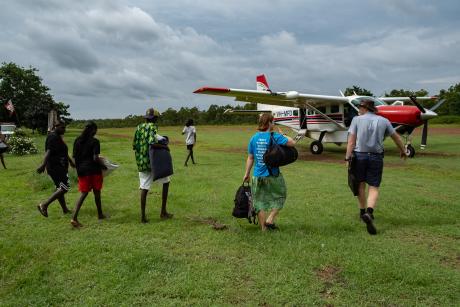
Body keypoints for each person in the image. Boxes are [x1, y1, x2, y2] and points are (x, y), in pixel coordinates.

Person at [345, 99, 407, 235]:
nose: (358, 109)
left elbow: (351, 141)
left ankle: (362, 212)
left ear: (364, 108)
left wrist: (347, 157)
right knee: (374, 186)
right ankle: (369, 212)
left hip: (359, 156)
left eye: (360, 107)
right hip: (376, 157)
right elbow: (396, 137)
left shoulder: (356, 120)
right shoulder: (384, 121)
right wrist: (403, 150)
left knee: (360, 185)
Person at [243, 113, 296, 231]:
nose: (274, 124)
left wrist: (246, 174)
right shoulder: (275, 136)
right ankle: (270, 219)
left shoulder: (254, 138)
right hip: (273, 175)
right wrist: (284, 135)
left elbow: (250, 157)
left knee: (259, 202)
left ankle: (263, 229)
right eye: (273, 122)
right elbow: (292, 143)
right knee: (281, 196)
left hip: (257, 175)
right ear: (269, 123)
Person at [133, 108, 173, 223]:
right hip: (153, 161)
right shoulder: (153, 127)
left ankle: (143, 217)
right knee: (166, 182)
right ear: (155, 118)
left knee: (144, 188)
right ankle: (163, 212)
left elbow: (134, 145)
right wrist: (165, 147)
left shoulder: (139, 127)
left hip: (141, 162)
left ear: (145, 117)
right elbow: (152, 143)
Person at [70, 122, 107, 227]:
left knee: (83, 193)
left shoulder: (77, 140)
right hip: (94, 170)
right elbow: (95, 158)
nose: (96, 132)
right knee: (97, 192)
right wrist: (104, 166)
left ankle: (74, 217)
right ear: (93, 130)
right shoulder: (95, 141)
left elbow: (74, 157)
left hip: (81, 170)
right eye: (96, 130)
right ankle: (100, 214)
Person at [37, 121, 74, 217]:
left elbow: (63, 151)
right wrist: (43, 165)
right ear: (55, 127)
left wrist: (70, 161)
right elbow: (48, 152)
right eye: (62, 128)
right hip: (55, 167)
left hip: (60, 166)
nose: (64, 130)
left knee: (60, 188)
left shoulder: (58, 137)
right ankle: (44, 205)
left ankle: (65, 209)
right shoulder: (53, 137)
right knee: (64, 187)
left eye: (65, 128)